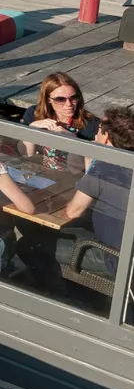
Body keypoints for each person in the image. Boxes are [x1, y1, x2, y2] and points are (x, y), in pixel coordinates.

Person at [53, 105, 134, 282]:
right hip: (126, 253)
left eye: (98, 131)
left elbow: (72, 212)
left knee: (32, 245)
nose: (95, 135)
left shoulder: (105, 167)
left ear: (106, 138)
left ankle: (67, 298)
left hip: (116, 259)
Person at [20, 72, 99, 171]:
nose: (69, 104)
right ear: (48, 100)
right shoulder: (34, 114)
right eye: (60, 99)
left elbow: (91, 166)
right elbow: (25, 156)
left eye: (73, 98)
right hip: (39, 171)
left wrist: (73, 139)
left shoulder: (91, 124)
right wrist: (31, 130)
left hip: (71, 179)